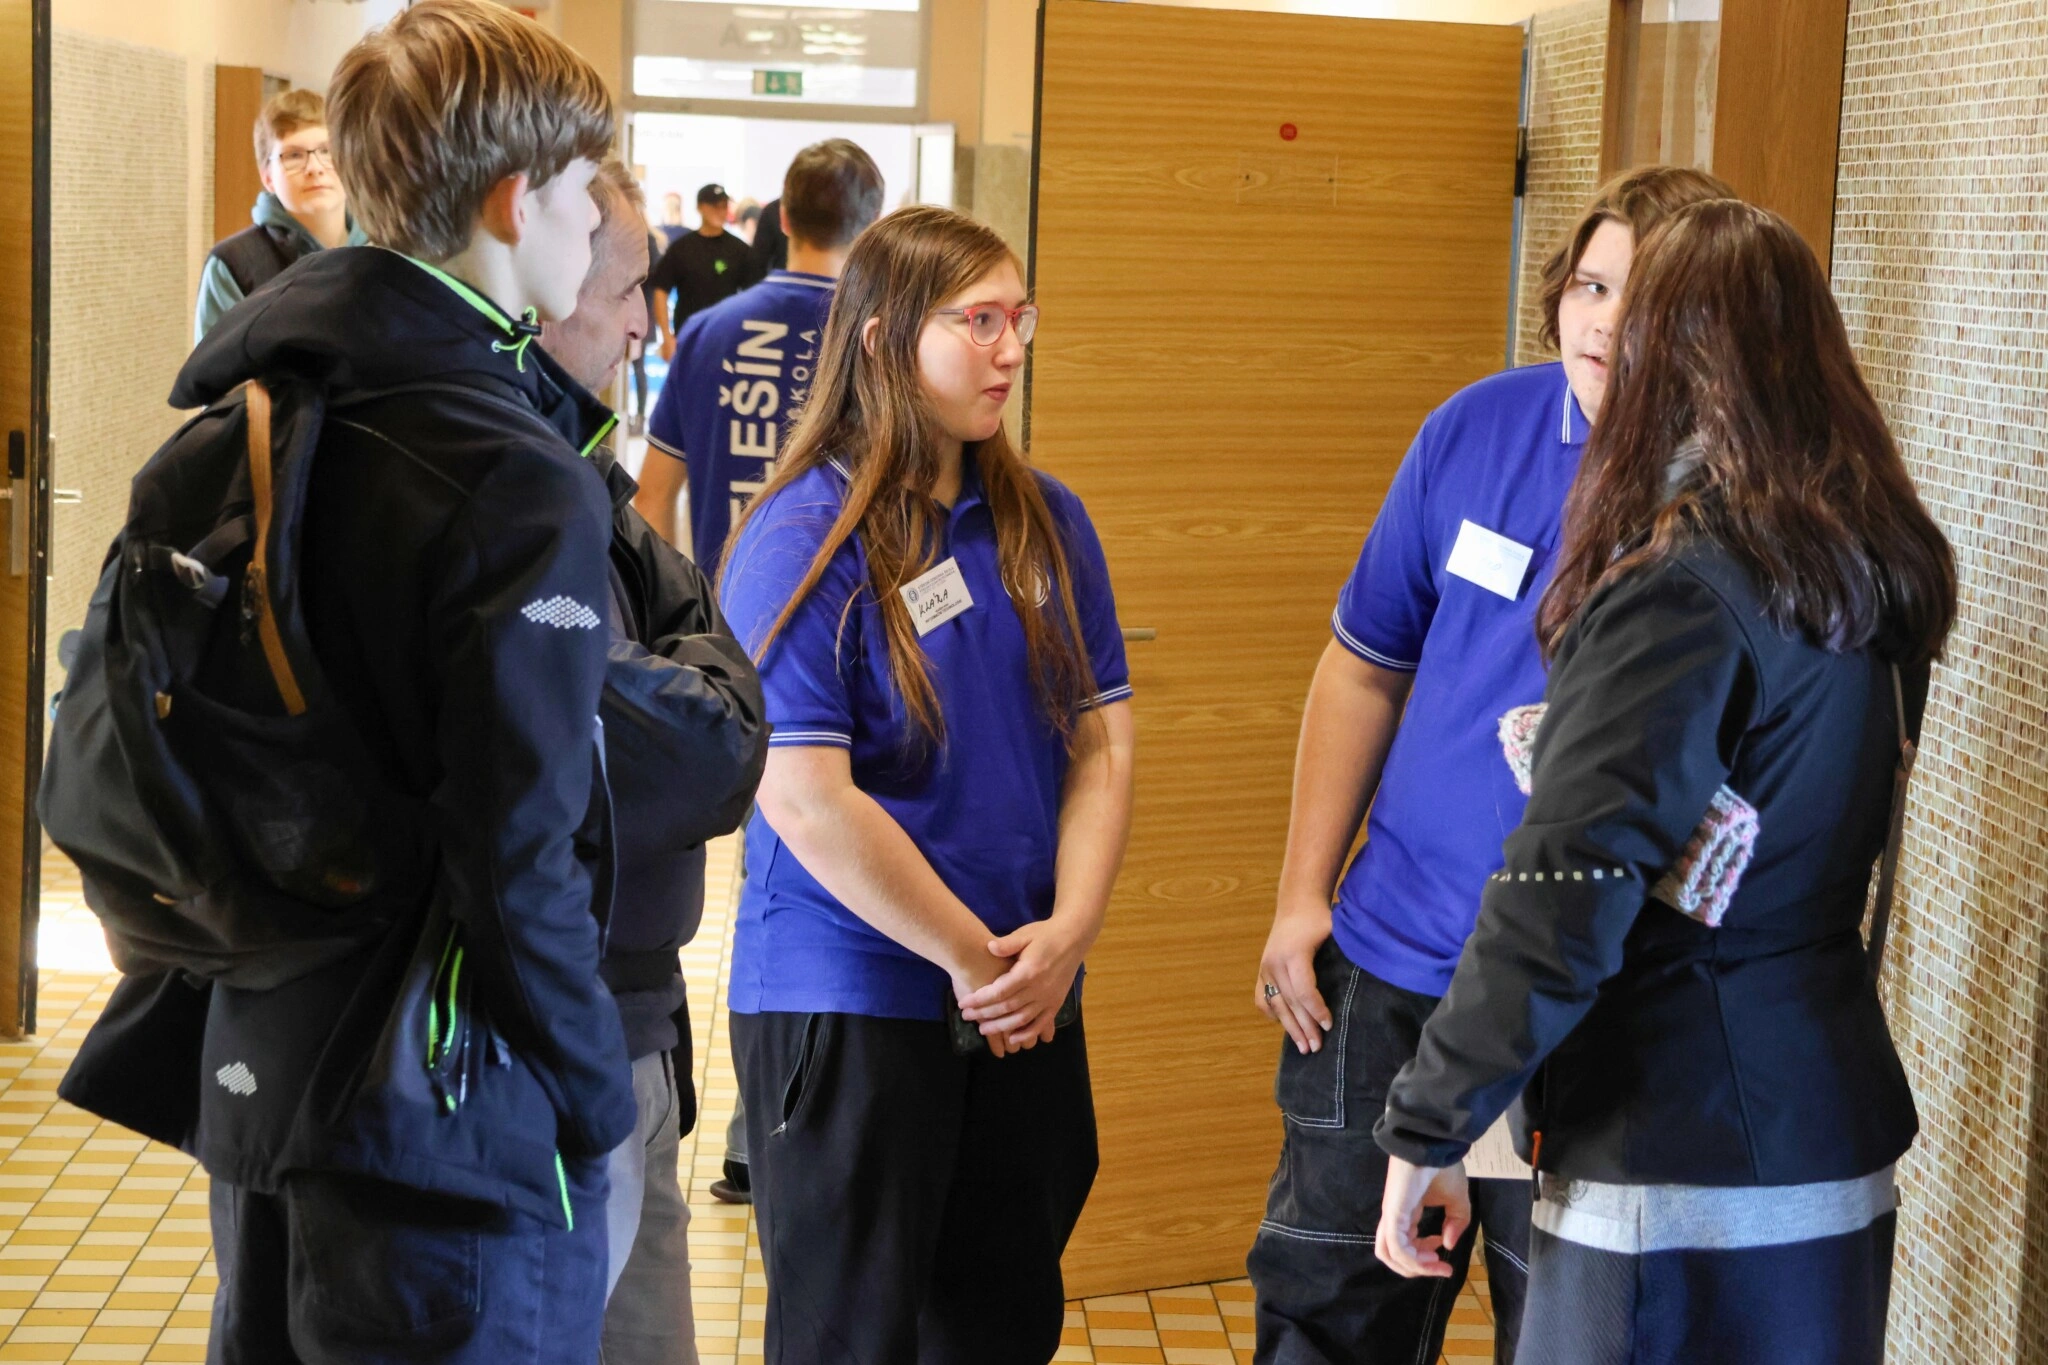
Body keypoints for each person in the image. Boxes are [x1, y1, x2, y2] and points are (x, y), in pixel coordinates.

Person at [1372, 199, 1956, 1365]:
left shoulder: (1680, 589)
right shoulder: (1869, 568)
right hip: (1825, 1134)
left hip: (1673, 1151)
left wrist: (1429, 1126)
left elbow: (1561, 893)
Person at [143, 3, 632, 1357]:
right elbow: (516, 849)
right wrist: (596, 1096)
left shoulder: (255, 406)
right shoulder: (510, 470)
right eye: (584, 193)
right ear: (515, 200)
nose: (595, 226)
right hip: (449, 1115)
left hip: (265, 1055)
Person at [1244, 165, 1733, 1365]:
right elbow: (1363, 666)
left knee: (1570, 1337)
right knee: (1325, 1320)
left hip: (1589, 1006)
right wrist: (1302, 895)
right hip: (1392, 974)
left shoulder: (1728, 494)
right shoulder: (1472, 429)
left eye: (1640, 297)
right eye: (1588, 287)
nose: (1601, 323)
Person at [719, 204, 1135, 1363]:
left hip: (1023, 995)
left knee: (998, 1327)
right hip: (858, 1001)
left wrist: (1069, 931)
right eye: (978, 322)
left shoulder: (1046, 521)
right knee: (855, 1339)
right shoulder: (806, 534)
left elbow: (1099, 742)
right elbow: (804, 799)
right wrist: (972, 961)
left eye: (1020, 320)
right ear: (881, 339)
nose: (1010, 350)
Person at [538, 157, 769, 1365]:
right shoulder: (501, 491)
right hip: (555, 1031)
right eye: (626, 288)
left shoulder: (577, 470)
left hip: (635, 1009)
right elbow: (700, 747)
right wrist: (699, 686)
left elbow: (711, 670)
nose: (643, 323)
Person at [638, 138, 885, 569]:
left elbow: (653, 499)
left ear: (783, 219)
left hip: (722, 604)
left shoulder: (705, 334)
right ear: (873, 228)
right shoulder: (884, 342)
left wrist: (678, 608)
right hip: (849, 606)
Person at [192, 88, 367, 342]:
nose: (314, 168)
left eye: (326, 150)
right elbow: (215, 366)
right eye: (294, 155)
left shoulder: (384, 250)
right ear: (268, 178)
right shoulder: (234, 265)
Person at [650, 183, 751, 362]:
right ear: (700, 207)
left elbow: (752, 295)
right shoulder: (682, 248)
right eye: (715, 206)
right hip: (687, 338)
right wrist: (666, 336)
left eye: (724, 206)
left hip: (727, 339)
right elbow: (660, 290)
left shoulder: (740, 250)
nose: (720, 211)